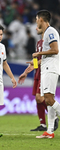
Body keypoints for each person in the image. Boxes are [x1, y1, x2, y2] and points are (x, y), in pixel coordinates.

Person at [18, 27, 59, 132]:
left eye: (38, 26)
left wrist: (37, 63)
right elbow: (36, 61)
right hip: (38, 73)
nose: (36, 28)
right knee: (38, 100)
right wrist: (27, 72)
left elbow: (49, 57)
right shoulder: (39, 43)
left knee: (40, 98)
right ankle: (43, 124)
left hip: (46, 71)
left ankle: (54, 117)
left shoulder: (50, 41)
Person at [33, 10, 60, 139]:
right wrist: (37, 60)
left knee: (49, 99)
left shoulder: (51, 32)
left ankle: (49, 130)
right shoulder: (46, 33)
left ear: (41, 20)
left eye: (37, 19)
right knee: (48, 103)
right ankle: (49, 131)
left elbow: (55, 50)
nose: (36, 21)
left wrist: (39, 54)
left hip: (50, 68)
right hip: (45, 68)